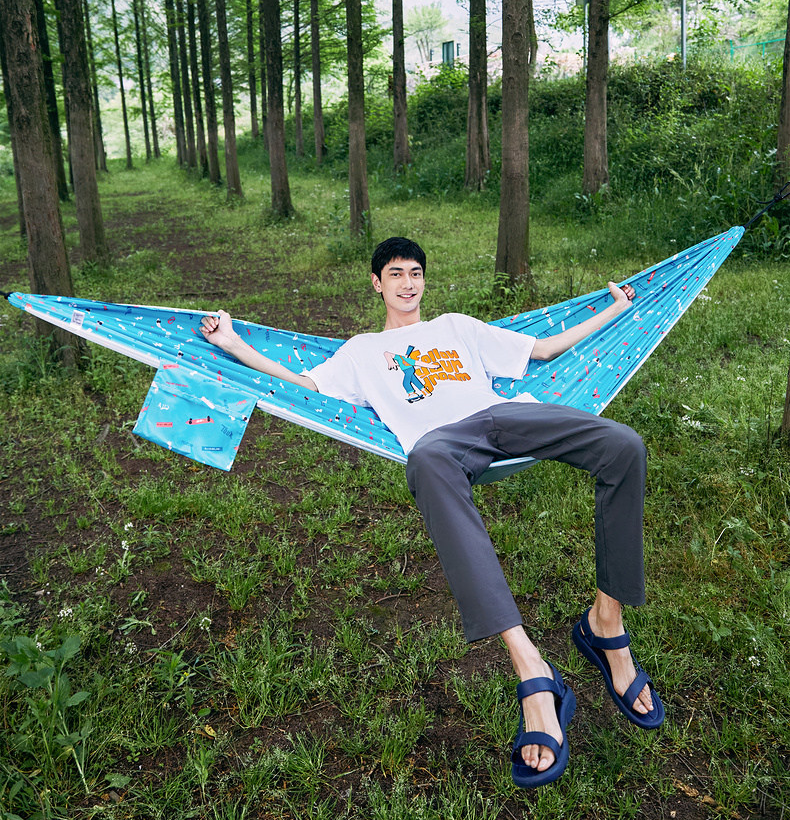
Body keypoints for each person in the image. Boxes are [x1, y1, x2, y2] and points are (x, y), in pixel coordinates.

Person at [201, 236, 664, 787]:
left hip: (503, 414)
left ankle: (605, 621)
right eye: (396, 274)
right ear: (377, 284)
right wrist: (232, 343)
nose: (408, 283)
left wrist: (616, 309)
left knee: (623, 446)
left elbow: (542, 351)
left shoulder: (456, 327)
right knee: (425, 461)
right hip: (440, 440)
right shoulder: (361, 350)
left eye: (415, 273)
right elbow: (304, 384)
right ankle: (530, 666)